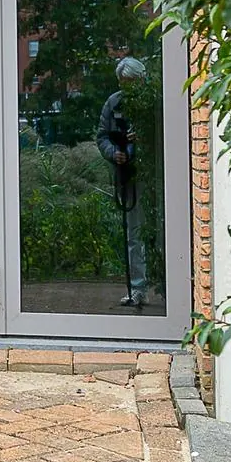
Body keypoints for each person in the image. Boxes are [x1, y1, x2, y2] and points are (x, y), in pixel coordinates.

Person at [96, 56, 149, 308]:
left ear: (140, 78)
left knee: (159, 233)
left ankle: (168, 288)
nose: (127, 87)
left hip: (153, 174)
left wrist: (146, 138)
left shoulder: (153, 101)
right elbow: (102, 136)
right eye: (122, 82)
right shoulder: (113, 102)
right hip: (127, 175)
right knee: (134, 234)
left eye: (130, 82)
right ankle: (137, 289)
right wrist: (112, 152)